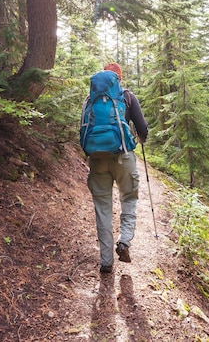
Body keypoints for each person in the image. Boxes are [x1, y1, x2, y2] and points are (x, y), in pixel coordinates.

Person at [86, 63, 148, 274]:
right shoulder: (127, 97)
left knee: (102, 209)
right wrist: (140, 139)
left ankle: (106, 261)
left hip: (96, 158)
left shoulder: (91, 100)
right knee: (129, 198)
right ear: (118, 79)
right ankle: (125, 241)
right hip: (123, 156)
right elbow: (143, 128)